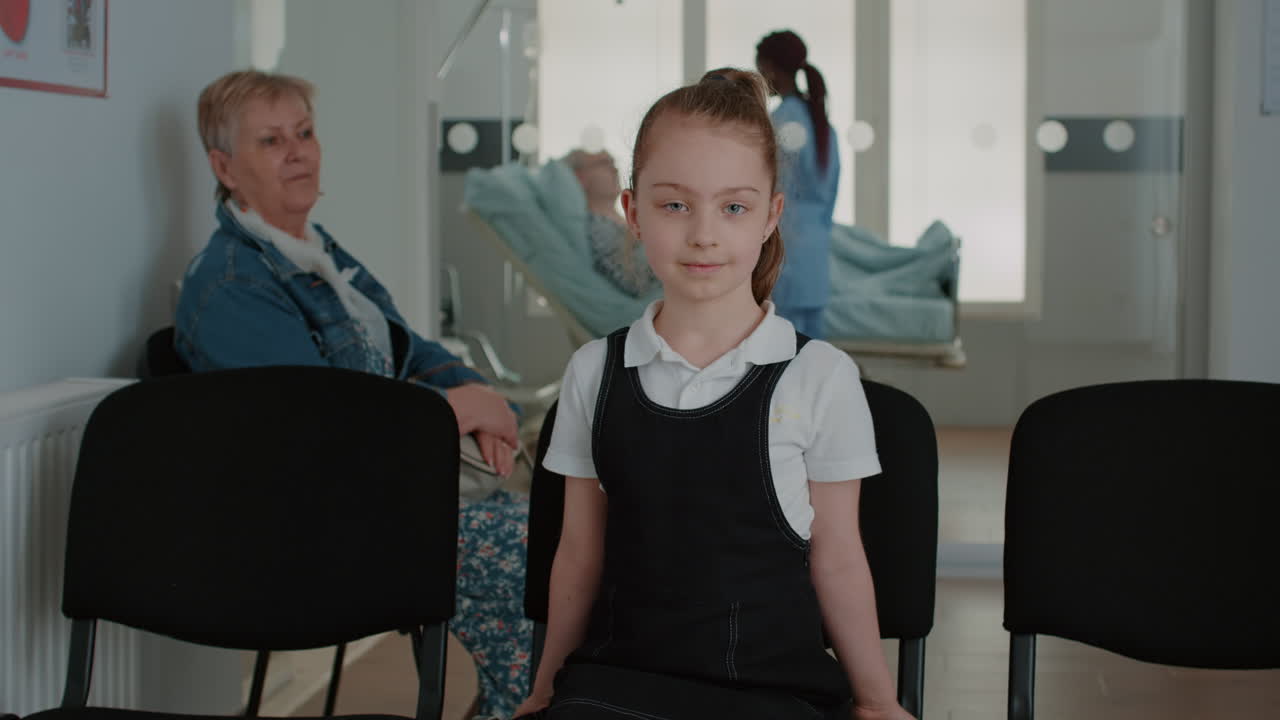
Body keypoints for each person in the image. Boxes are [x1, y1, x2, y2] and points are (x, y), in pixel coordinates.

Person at [512, 70, 913, 720]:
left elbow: (839, 559)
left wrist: (878, 701)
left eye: (733, 208)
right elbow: (580, 553)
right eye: (675, 205)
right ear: (633, 212)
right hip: (617, 687)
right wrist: (543, 692)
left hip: (773, 692)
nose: (703, 234)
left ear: (770, 217)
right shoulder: (594, 372)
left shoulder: (821, 376)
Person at [175, 70, 530, 719]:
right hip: (328, 528)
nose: (298, 152)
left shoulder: (312, 252)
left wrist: (473, 391)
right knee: (552, 563)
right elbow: (325, 427)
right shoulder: (231, 287)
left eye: (305, 133)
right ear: (224, 167)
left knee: (573, 552)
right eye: (272, 141)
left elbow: (409, 349)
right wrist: (452, 412)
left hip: (391, 496)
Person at [756, 30, 840, 339]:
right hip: (816, 249)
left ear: (770, 69)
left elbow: (768, 186)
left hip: (787, 245)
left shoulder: (779, 121)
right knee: (812, 351)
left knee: (782, 346)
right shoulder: (822, 124)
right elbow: (830, 193)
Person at [564, 148, 659, 297]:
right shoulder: (596, 229)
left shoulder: (629, 223)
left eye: (614, 163)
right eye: (604, 163)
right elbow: (634, 284)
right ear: (580, 177)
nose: (615, 169)